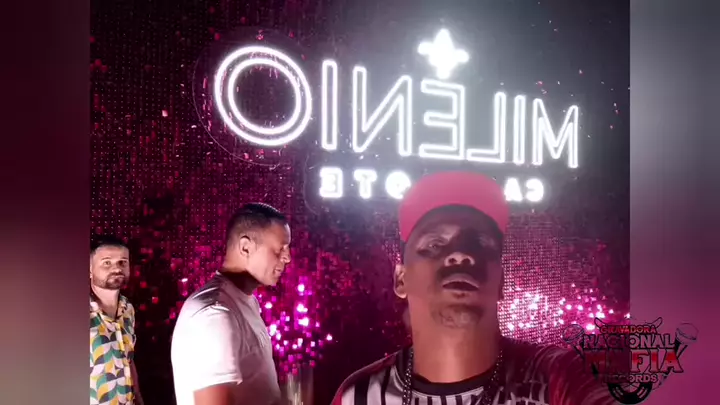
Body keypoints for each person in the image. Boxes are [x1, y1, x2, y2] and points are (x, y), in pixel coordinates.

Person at [332, 172, 616, 405]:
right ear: (401, 280)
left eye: (479, 243)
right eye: (434, 244)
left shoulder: (555, 377)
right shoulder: (358, 397)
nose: (461, 254)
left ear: (501, 282)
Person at [171, 203, 292, 405]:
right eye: (281, 248)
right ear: (245, 247)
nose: (287, 258)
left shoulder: (245, 302)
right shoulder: (215, 314)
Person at [90, 235, 144, 405]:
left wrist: (138, 396)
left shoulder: (128, 309)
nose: (117, 268)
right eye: (107, 262)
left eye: (123, 262)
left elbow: (128, 358)